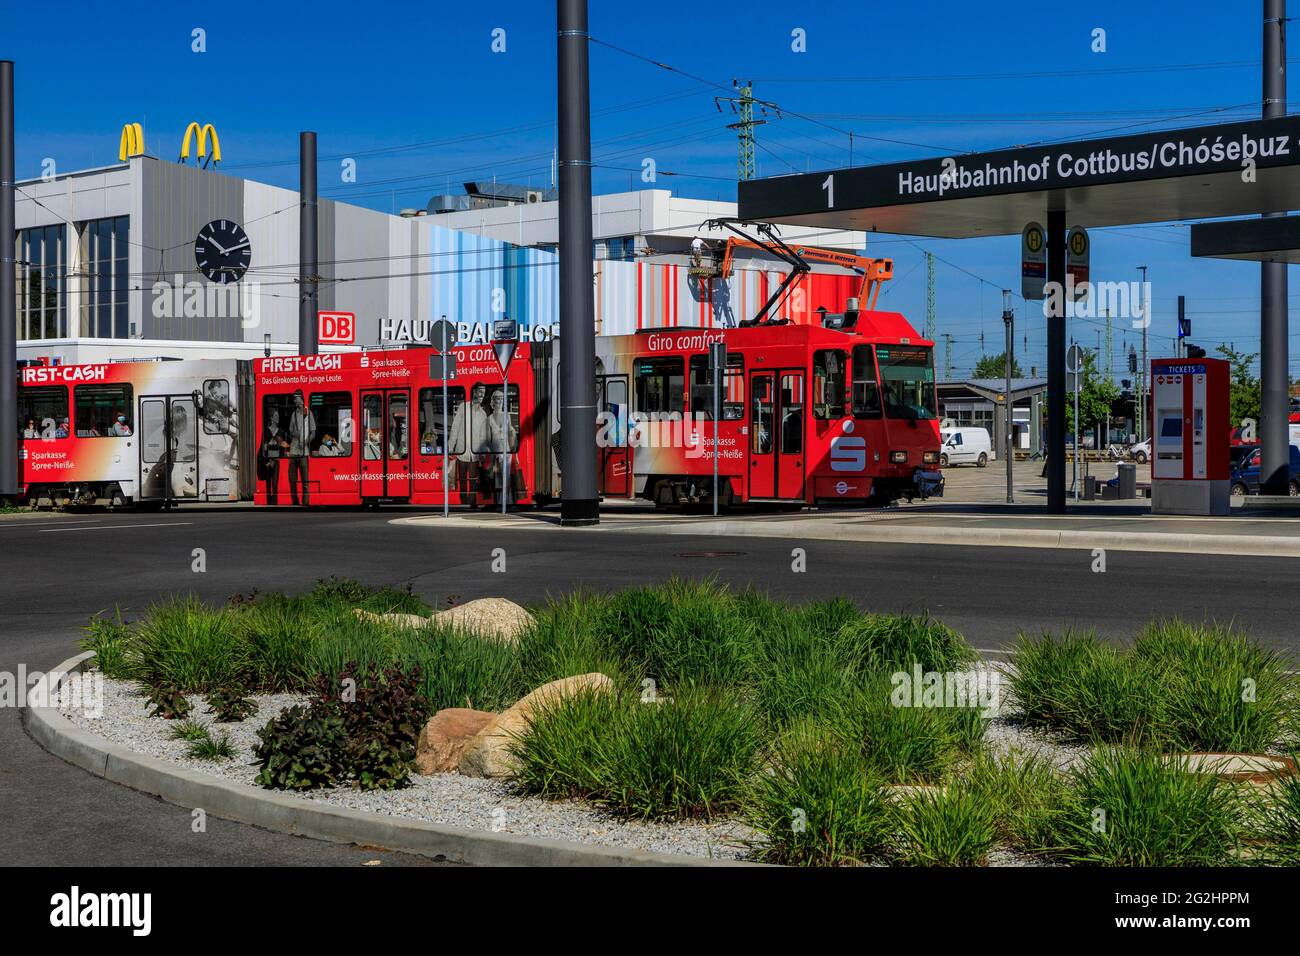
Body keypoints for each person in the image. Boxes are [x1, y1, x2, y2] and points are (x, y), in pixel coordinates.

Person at [285, 392, 315, 506]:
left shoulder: (308, 413)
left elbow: (313, 432)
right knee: (292, 480)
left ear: (301, 399)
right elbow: (290, 430)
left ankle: (305, 503)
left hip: (304, 451)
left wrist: (306, 442)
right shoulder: (293, 414)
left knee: (305, 481)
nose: (294, 400)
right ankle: (295, 502)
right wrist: (295, 434)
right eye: (294, 399)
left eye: (296, 398)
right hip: (293, 450)